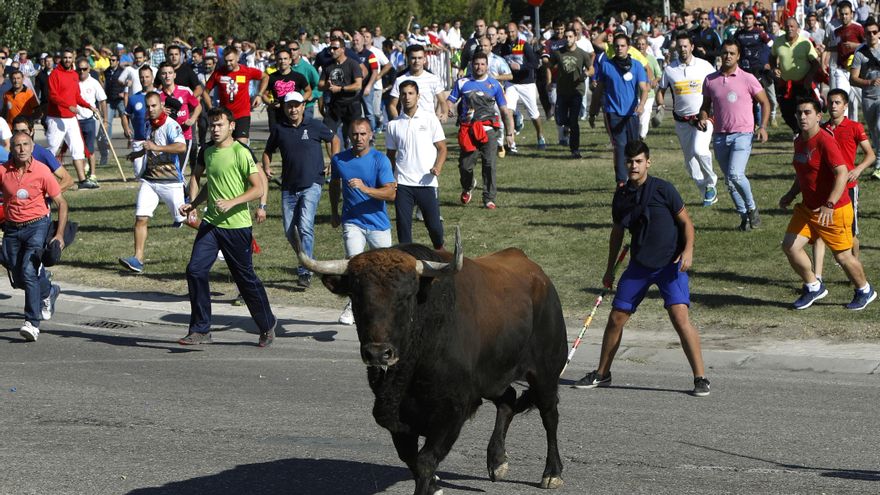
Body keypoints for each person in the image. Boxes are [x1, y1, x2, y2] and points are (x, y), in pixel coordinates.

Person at [573, 140, 710, 397]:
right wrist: (609, 269)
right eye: (630, 161)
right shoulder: (622, 196)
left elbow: (687, 224)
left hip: (671, 266)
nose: (634, 166)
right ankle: (602, 374)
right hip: (640, 266)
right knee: (616, 318)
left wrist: (688, 251)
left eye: (638, 161)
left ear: (648, 162)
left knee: (680, 317)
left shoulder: (663, 189)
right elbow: (616, 234)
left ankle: (701, 377)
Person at [177, 106, 277, 346]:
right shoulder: (207, 151)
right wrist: (194, 204)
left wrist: (232, 202)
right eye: (212, 125)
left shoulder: (241, 152)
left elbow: (257, 188)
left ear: (232, 126)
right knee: (195, 270)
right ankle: (200, 329)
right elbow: (211, 185)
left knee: (244, 278)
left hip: (237, 227)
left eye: (220, 124)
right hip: (211, 224)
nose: (215, 129)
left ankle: (267, 324)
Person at [779, 98, 876, 310]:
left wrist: (830, 204)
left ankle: (865, 290)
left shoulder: (825, 140)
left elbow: (841, 173)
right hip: (807, 208)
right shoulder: (799, 141)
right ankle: (813, 286)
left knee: (842, 256)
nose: (802, 117)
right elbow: (803, 173)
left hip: (834, 210)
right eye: (799, 113)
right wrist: (790, 194)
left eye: (807, 112)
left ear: (818, 116)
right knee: (790, 246)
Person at [262, 92, 340, 288]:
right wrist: (267, 165)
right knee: (290, 231)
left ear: (303, 106)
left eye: (297, 105)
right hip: (288, 186)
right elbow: (267, 150)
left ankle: (305, 270)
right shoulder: (280, 129)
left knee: (305, 227)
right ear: (285, 108)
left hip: (312, 183)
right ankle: (304, 259)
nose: (293, 109)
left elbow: (334, 140)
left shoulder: (314, 125)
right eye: (289, 106)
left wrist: (333, 160)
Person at [1, 132, 68, 342]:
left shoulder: (42, 171)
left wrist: (58, 235)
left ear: (32, 147)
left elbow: (62, 204)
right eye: (17, 146)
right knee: (18, 276)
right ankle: (48, 290)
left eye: (25, 145)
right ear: (10, 149)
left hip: (36, 226)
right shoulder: (3, 171)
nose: (21, 149)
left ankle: (32, 322)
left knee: (29, 271)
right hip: (11, 229)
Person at [329, 118, 396, 325]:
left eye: (363, 134)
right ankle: (353, 304)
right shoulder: (339, 160)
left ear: (371, 135)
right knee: (354, 263)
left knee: (385, 270)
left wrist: (365, 189)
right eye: (355, 134)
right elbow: (334, 185)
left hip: (378, 223)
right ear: (349, 136)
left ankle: (389, 306)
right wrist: (334, 211)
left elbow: (391, 193)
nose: (359, 138)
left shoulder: (380, 160)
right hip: (352, 221)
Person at [700, 40, 771, 231]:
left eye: (732, 53)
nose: (728, 56)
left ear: (738, 56)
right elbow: (705, 106)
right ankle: (744, 218)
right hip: (720, 136)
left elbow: (765, 102)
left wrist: (762, 126)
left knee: (736, 174)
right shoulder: (710, 80)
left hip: (743, 134)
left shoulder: (748, 78)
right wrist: (702, 117)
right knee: (729, 182)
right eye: (725, 53)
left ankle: (752, 209)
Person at [118, 92, 187, 273]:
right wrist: (138, 154)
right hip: (150, 180)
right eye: (148, 106)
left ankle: (219, 239)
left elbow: (181, 146)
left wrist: (157, 147)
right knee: (141, 217)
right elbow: (150, 147)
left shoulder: (171, 125)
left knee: (185, 218)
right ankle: (138, 259)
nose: (150, 109)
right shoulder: (149, 124)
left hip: (170, 181)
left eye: (154, 106)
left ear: (161, 105)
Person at [812, 89, 875, 281]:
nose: (833, 106)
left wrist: (857, 169)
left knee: (851, 235)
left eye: (837, 102)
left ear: (846, 105)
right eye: (830, 102)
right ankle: (817, 277)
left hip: (848, 187)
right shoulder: (821, 129)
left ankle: (855, 269)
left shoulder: (855, 127)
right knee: (819, 232)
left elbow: (870, 155)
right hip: (825, 188)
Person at [657, 33, 718, 206]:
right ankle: (707, 191)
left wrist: (711, 110)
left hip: (703, 118)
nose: (683, 49)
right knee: (691, 164)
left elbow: (716, 86)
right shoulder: (670, 70)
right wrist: (660, 106)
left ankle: (712, 182)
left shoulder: (704, 66)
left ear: (691, 47)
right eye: (680, 46)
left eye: (686, 46)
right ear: (676, 48)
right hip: (682, 122)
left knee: (700, 150)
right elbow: (661, 91)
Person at [447, 51, 514, 209]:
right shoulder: (462, 82)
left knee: (489, 164)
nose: (479, 67)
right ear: (472, 65)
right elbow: (450, 101)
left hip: (488, 129)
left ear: (487, 66)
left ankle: (489, 198)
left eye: (482, 64)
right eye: (476, 64)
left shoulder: (494, 84)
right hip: (468, 130)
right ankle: (468, 186)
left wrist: (510, 134)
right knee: (465, 166)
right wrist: (448, 109)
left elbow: (505, 110)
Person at [386, 80, 447, 249]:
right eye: (403, 94)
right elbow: (390, 156)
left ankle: (441, 253)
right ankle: (407, 263)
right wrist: (390, 179)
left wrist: (438, 167)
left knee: (434, 227)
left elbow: (442, 149)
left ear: (418, 96)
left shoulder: (430, 119)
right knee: (403, 228)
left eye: (411, 93)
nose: (407, 97)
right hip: (403, 184)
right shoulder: (393, 125)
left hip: (426, 183)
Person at [589, 33, 648, 186]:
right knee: (620, 146)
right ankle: (621, 181)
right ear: (613, 48)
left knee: (634, 147)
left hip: (632, 114)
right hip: (613, 112)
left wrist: (641, 105)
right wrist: (593, 111)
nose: (619, 48)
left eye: (622, 45)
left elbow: (644, 88)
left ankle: (637, 178)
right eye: (617, 46)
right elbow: (599, 90)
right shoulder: (606, 65)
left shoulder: (637, 65)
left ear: (628, 47)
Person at [46, 49, 98, 189]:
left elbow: (76, 96)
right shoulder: (54, 74)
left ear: (73, 58)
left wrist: (89, 106)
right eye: (65, 57)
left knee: (78, 148)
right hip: (56, 118)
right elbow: (53, 96)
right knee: (52, 149)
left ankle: (82, 181)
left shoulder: (74, 75)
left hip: (71, 118)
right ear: (61, 58)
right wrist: (68, 106)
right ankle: (44, 179)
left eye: (70, 57)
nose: (68, 60)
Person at [203, 45, 267, 144]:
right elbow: (205, 91)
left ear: (237, 57)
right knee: (222, 144)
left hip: (242, 114)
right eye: (226, 61)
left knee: (241, 145)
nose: (228, 63)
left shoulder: (246, 71)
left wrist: (259, 95)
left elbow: (265, 77)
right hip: (225, 115)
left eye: (231, 60)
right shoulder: (219, 73)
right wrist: (210, 107)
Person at [502, 20, 548, 151]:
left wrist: (521, 67)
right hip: (511, 83)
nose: (510, 34)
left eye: (513, 31)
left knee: (533, 114)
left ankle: (540, 135)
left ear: (517, 32)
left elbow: (534, 63)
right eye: (508, 32)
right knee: (508, 111)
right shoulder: (504, 47)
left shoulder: (524, 45)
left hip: (526, 83)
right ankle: (511, 143)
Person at [771, 17, 820, 134]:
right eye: (787, 26)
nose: (789, 29)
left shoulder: (805, 43)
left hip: (803, 84)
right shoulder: (778, 42)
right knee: (786, 112)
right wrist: (774, 67)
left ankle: (811, 132)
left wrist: (809, 78)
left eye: (792, 26)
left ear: (797, 28)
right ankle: (798, 131)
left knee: (806, 111)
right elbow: (772, 56)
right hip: (785, 84)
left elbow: (815, 63)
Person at [549, 28, 593, 159]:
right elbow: (549, 66)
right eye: (566, 37)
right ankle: (567, 125)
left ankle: (575, 149)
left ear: (575, 37)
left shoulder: (582, 54)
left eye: (570, 37)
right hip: (562, 91)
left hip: (576, 91)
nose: (568, 39)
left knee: (574, 121)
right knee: (560, 119)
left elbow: (592, 69)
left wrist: (586, 73)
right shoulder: (558, 53)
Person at [850, 16, 880, 180]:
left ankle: (879, 165)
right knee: (874, 131)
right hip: (868, 97)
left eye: (875, 32)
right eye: (868, 33)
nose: (872, 35)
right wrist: (869, 82)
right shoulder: (860, 52)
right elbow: (852, 79)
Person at [319, 37, 364, 145]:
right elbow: (320, 86)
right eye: (330, 48)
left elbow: (358, 85)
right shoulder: (328, 65)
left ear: (343, 49)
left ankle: (354, 159)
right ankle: (334, 160)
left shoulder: (352, 64)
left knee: (354, 135)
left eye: (335, 48)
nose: (332, 51)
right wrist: (327, 85)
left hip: (352, 104)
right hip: (335, 105)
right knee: (327, 133)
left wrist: (340, 89)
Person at [824, 1, 865, 120]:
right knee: (841, 99)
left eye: (847, 14)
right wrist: (824, 50)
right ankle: (843, 129)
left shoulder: (858, 28)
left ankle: (873, 125)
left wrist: (855, 46)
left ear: (852, 14)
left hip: (857, 71)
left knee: (865, 100)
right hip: (841, 70)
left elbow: (868, 46)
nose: (844, 16)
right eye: (842, 14)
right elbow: (837, 47)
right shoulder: (836, 31)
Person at [157, 62, 201, 172]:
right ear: (159, 76)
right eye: (164, 73)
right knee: (168, 172)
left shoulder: (185, 91)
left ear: (174, 75)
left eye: (170, 73)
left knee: (178, 171)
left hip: (184, 136)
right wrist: (160, 112)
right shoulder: (157, 95)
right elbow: (149, 117)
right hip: (166, 139)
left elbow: (198, 106)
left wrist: (192, 120)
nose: (167, 76)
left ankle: (185, 189)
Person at [11, 116, 74, 192]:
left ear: (32, 131)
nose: (20, 134)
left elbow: (68, 180)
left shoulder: (43, 153)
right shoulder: (13, 153)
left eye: (24, 131)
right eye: (16, 131)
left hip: (40, 203)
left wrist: (47, 194)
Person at [388, 45, 448, 123]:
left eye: (420, 58)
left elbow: (442, 101)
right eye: (413, 58)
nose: (417, 61)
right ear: (408, 59)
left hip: (428, 123)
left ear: (424, 59)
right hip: (407, 123)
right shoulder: (400, 80)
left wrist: (444, 113)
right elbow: (392, 105)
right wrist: (397, 121)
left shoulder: (433, 78)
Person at [258, 47, 310, 130]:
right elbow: (264, 94)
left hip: (293, 112)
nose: (283, 61)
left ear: (290, 60)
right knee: (277, 138)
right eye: (280, 59)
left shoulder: (298, 76)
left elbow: (308, 91)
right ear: (277, 61)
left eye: (285, 59)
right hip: (277, 113)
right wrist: (271, 103)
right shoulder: (271, 77)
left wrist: (300, 101)